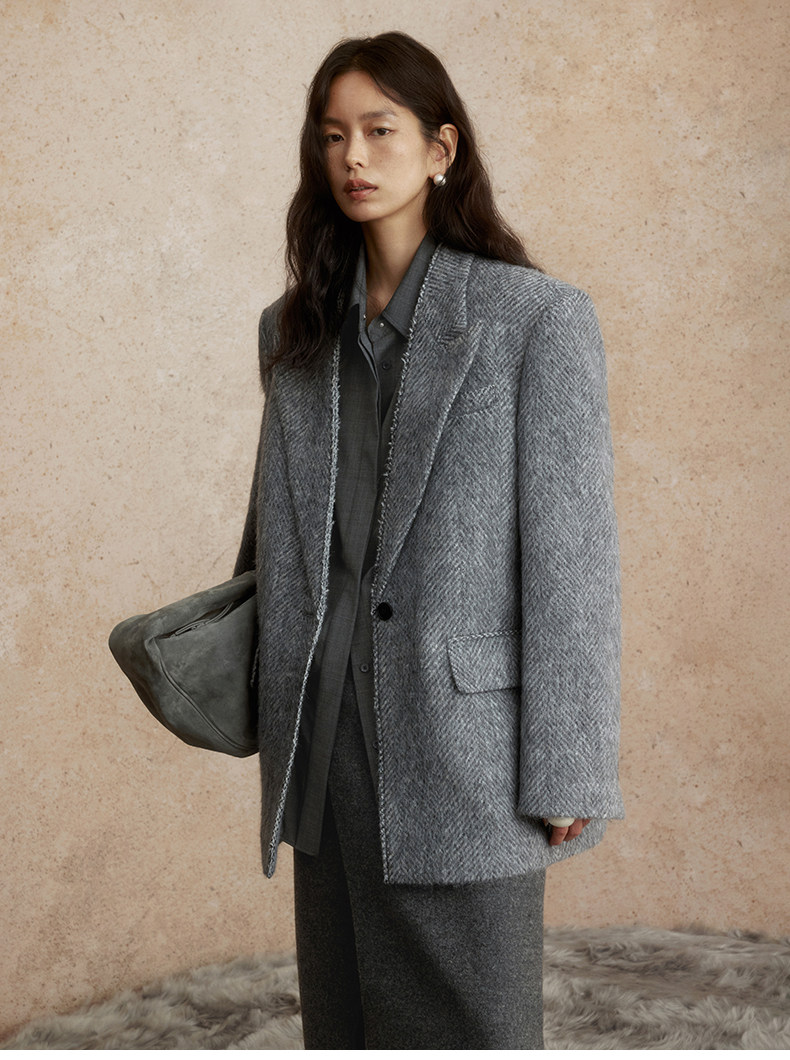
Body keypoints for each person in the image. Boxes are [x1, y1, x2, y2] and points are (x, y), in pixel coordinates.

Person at [234, 31, 624, 1050]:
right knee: (347, 1023)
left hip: (464, 748)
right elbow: (275, 532)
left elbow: (574, 561)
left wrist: (571, 762)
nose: (353, 157)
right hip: (324, 735)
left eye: (380, 130)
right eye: (333, 136)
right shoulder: (295, 331)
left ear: (441, 148)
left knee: (470, 1025)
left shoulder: (532, 320)